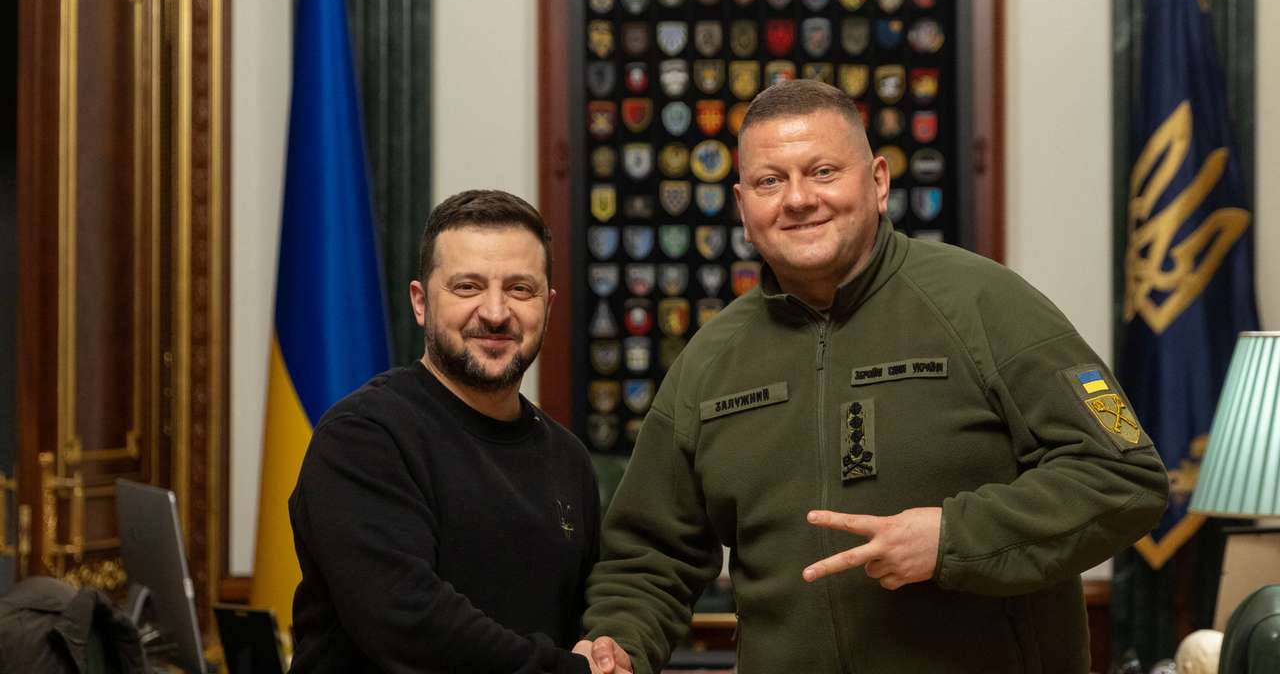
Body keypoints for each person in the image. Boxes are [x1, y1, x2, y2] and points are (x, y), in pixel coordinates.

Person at [579, 81, 1170, 674]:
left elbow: (1121, 476)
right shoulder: (710, 361)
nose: (798, 199)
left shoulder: (985, 304)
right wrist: (618, 644)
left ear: (879, 182)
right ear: (743, 206)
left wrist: (953, 539)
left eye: (823, 172)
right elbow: (649, 556)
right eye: (770, 181)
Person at [289, 190, 602, 673]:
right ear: (420, 303)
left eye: (520, 289)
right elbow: (410, 624)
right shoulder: (363, 438)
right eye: (467, 287)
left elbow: (582, 618)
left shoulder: (568, 459)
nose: (495, 313)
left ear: (548, 304)